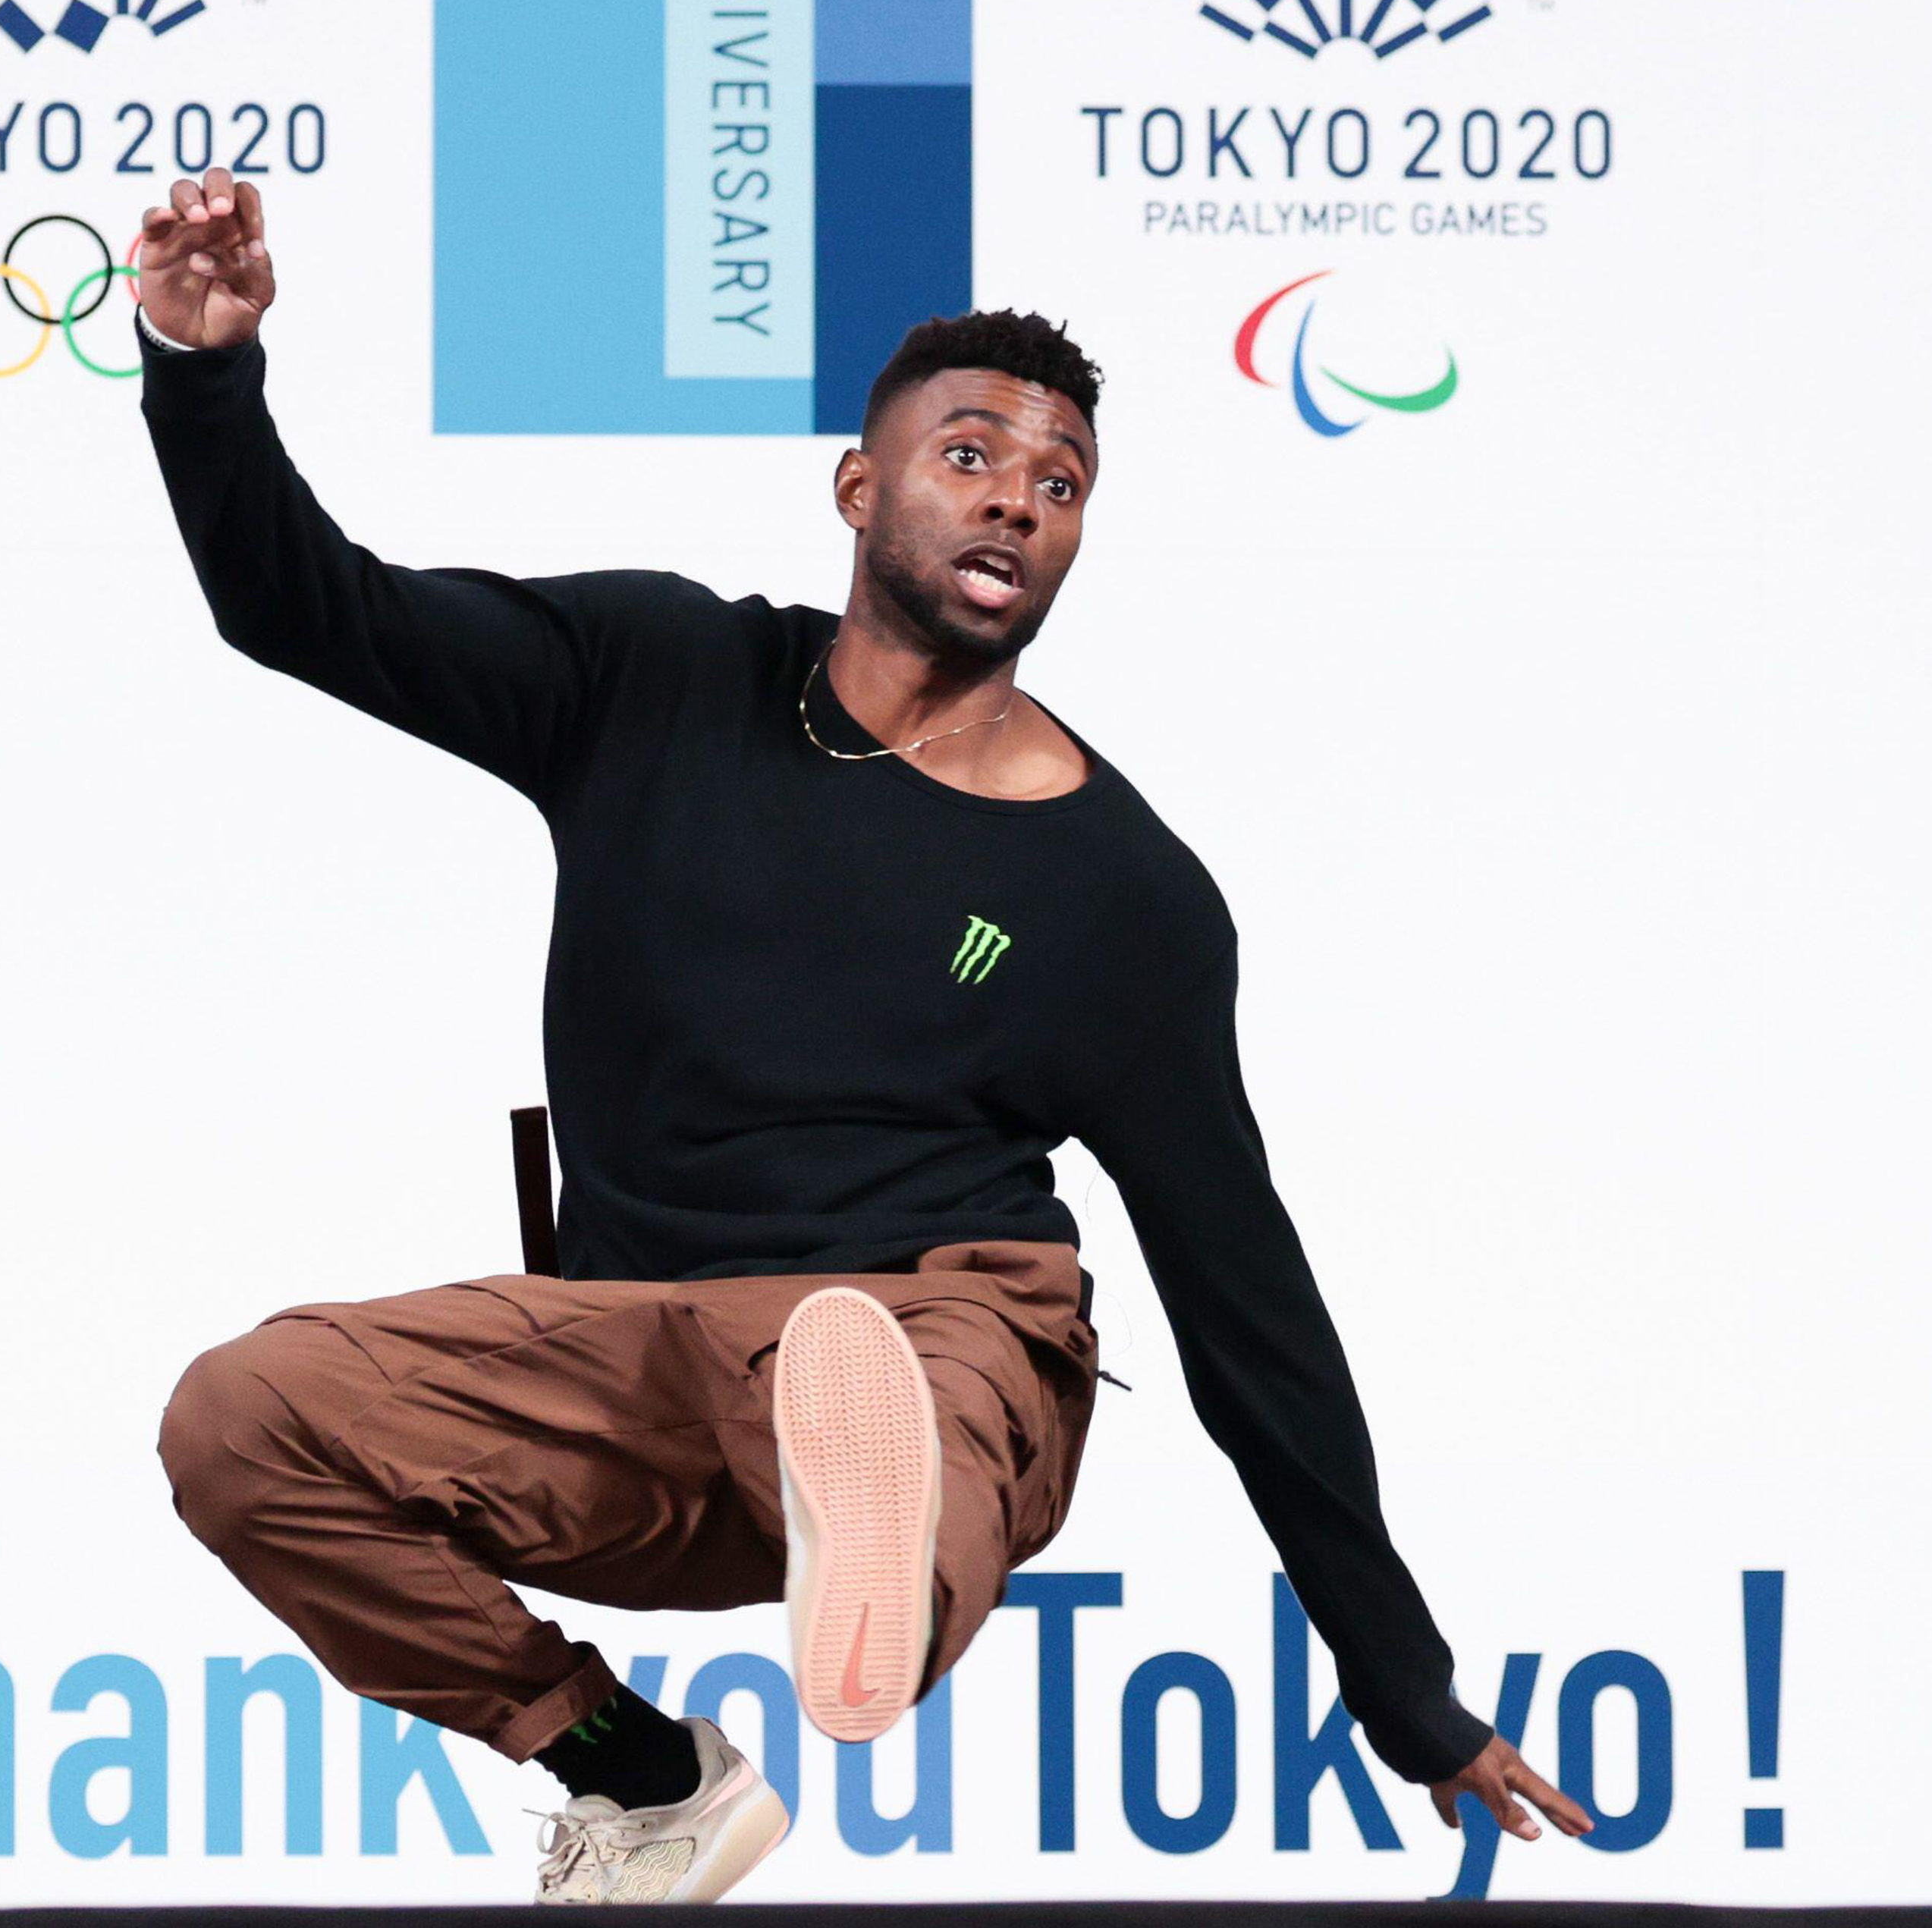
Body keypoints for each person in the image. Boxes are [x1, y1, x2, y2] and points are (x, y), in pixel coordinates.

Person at [132, 167, 1588, 1904]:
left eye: (1061, 484)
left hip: (941, 1317)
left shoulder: (1123, 897)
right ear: (859, 487)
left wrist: (1405, 1686)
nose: (1018, 500)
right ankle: (637, 1774)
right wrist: (201, 369)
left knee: (900, 1389)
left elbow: (1245, 1304)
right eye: (972, 455)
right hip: (641, 1358)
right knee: (243, 1419)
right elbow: (309, 607)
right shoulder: (649, 677)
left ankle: (885, 1557)